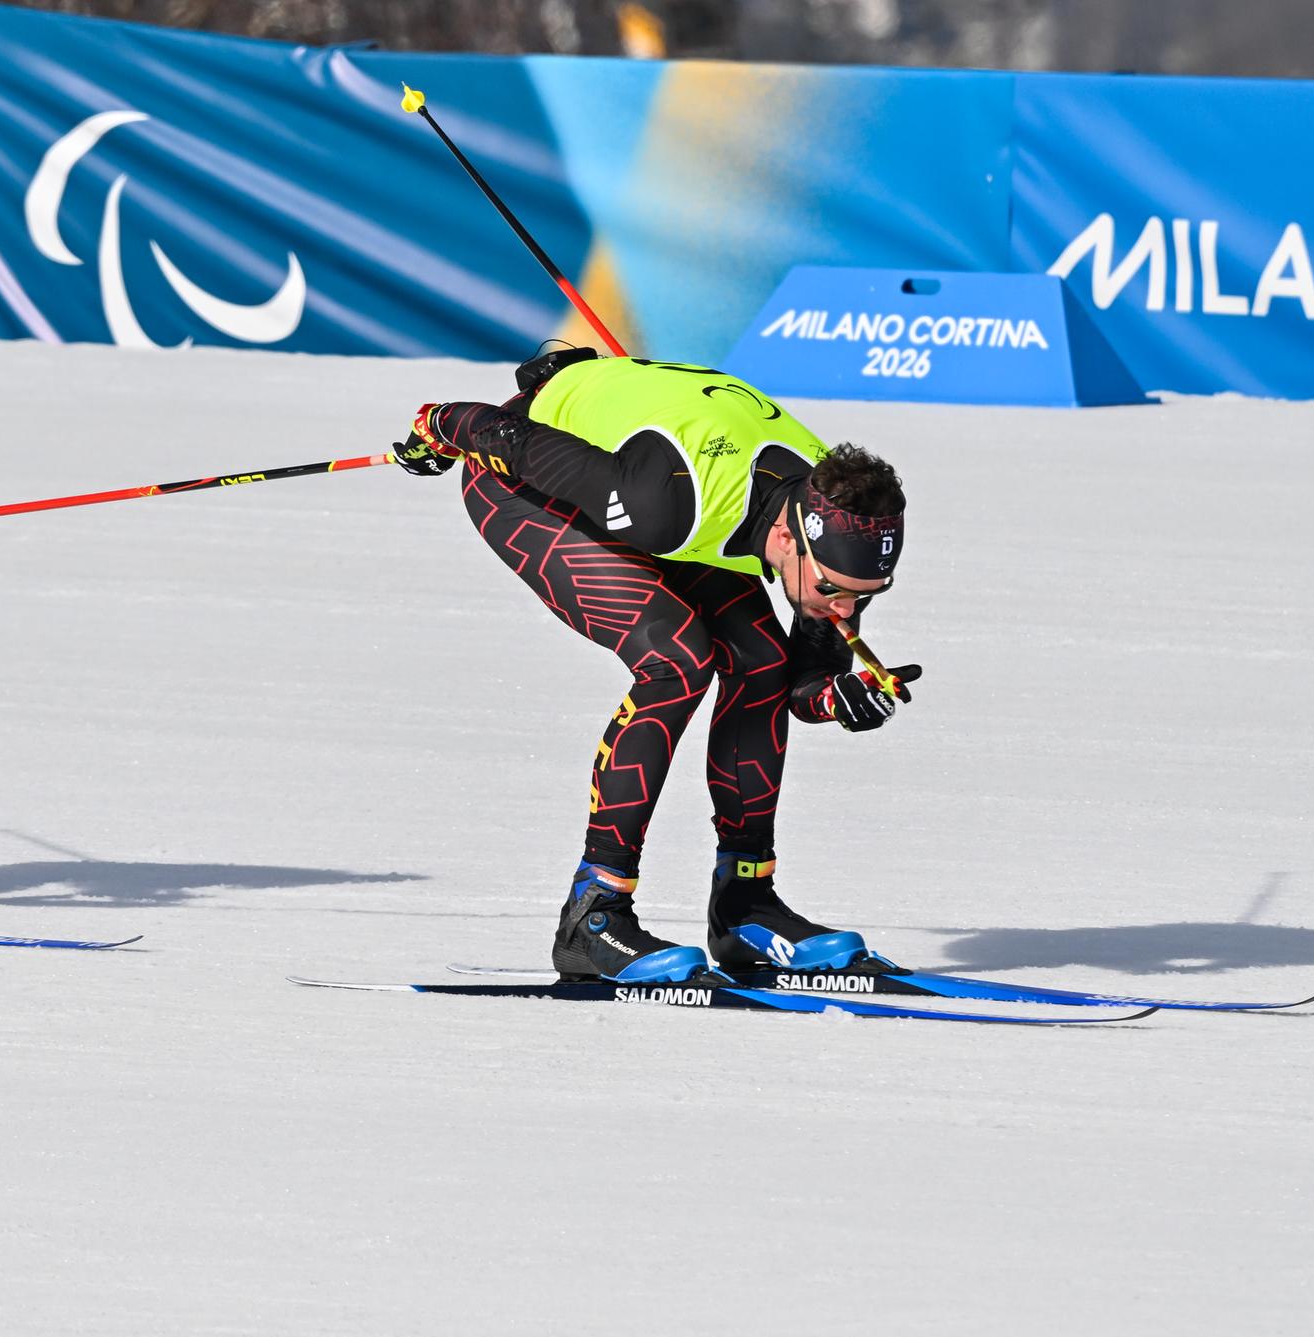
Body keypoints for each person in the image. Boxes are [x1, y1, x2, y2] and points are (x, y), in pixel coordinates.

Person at [393, 348, 919, 983]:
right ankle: (593, 916)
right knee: (678, 661)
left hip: (670, 476)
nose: (844, 608)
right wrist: (439, 426)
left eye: (864, 595)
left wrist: (836, 697)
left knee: (761, 661)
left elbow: (799, 685)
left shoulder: (831, 510)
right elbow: (500, 435)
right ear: (787, 538)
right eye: (835, 588)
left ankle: (745, 906)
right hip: (526, 479)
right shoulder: (666, 499)